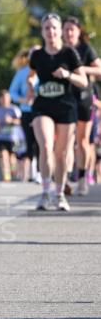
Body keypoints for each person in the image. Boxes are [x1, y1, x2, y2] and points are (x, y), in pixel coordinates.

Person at [28, 13, 87, 211]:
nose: (50, 31)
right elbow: (32, 75)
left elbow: (84, 81)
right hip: (43, 105)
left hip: (65, 106)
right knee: (45, 145)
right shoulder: (36, 55)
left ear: (60, 30)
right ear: (42, 32)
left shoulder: (69, 53)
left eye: (54, 28)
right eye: (46, 28)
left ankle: (60, 194)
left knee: (61, 154)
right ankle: (45, 193)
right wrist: (30, 85)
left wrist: (68, 74)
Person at [62, 16, 101, 196]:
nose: (69, 32)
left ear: (79, 31)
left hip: (84, 97)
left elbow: (99, 70)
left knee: (83, 140)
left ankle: (83, 178)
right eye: (66, 29)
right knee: (66, 141)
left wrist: (81, 69)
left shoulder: (86, 49)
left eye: (72, 29)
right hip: (64, 98)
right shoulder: (59, 49)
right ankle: (67, 178)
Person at [9, 48, 40, 182]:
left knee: (42, 141)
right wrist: (24, 100)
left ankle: (41, 172)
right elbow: (12, 92)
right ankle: (32, 173)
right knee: (30, 141)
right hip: (27, 111)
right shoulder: (22, 73)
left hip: (44, 110)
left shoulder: (46, 70)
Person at [0, 90, 22, 182]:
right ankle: (6, 175)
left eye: (6, 98)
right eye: (2, 98)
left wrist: (11, 121)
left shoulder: (14, 109)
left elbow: (19, 122)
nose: (4, 100)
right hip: (1, 137)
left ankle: (14, 171)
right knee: (3, 155)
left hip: (12, 137)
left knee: (12, 157)